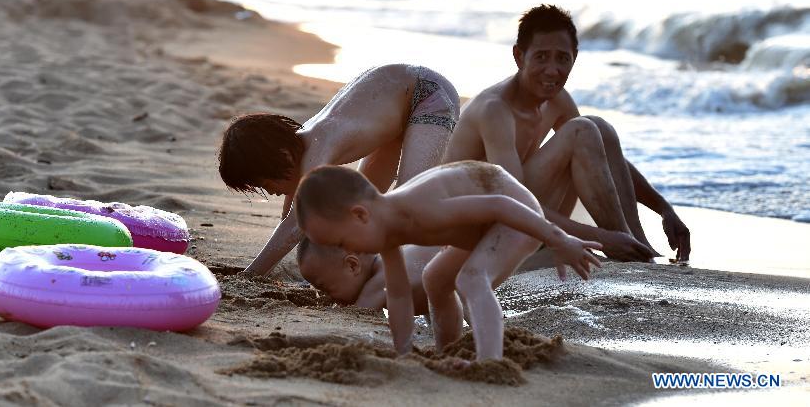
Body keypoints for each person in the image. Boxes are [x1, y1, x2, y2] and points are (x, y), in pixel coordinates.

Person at [443, 4, 692, 265]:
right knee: (582, 130)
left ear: (575, 57)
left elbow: (602, 155)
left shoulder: (556, 99)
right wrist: (600, 237)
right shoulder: (495, 109)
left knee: (598, 128)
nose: (552, 70)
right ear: (519, 56)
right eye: (541, 57)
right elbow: (511, 202)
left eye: (562, 58)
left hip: (524, 220)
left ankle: (636, 246)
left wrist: (664, 209)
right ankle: (630, 251)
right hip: (473, 234)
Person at [295, 161, 602, 360]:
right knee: (435, 279)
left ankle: (489, 363)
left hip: (515, 215)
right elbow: (399, 295)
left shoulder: (419, 207)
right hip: (480, 229)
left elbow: (499, 204)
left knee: (470, 278)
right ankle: (449, 351)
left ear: (360, 215)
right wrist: (403, 352)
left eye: (341, 241)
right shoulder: (386, 234)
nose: (347, 250)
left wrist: (559, 239)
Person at [219, 64, 460, 277]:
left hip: (428, 96)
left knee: (408, 199)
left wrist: (251, 274)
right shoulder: (300, 149)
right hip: (395, 101)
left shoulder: (320, 143)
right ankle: (364, 272)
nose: (271, 193)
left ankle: (442, 265)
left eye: (266, 184)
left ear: (282, 158)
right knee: (366, 206)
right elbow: (292, 216)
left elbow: (295, 224)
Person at [297, 239, 438, 314]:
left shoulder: (382, 280)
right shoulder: (387, 261)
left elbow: (359, 314)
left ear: (352, 266)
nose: (328, 297)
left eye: (327, 288)